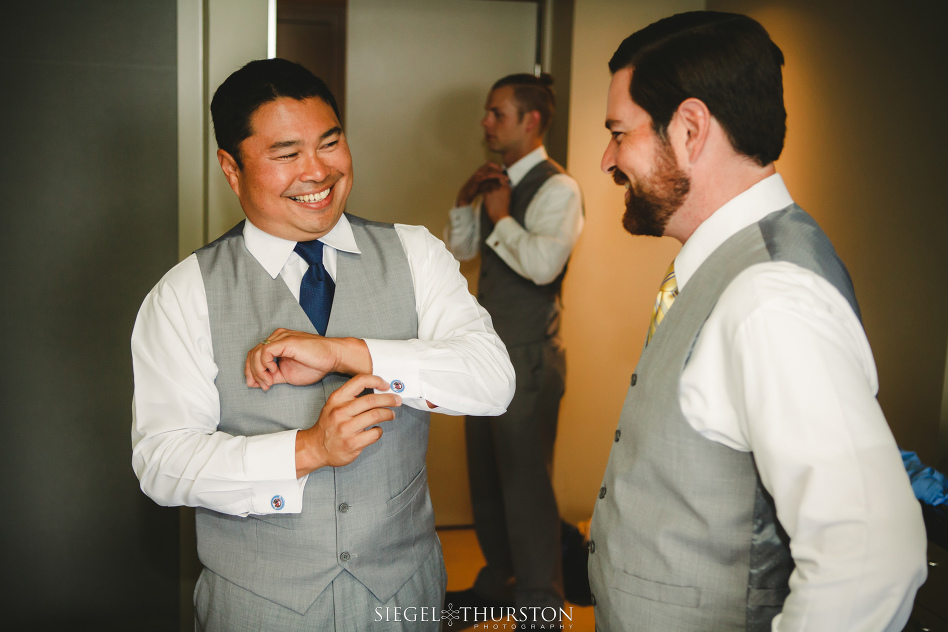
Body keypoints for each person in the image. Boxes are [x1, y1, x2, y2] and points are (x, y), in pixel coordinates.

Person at [131, 59, 515, 632]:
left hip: (404, 596)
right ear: (231, 169)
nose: (318, 172)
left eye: (330, 143)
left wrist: (343, 352)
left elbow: (492, 381)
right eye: (287, 154)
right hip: (257, 609)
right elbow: (161, 462)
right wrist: (308, 449)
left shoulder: (416, 253)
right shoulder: (184, 293)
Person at [587, 11, 927, 632]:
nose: (607, 157)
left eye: (619, 131)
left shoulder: (770, 296)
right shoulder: (737, 268)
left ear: (690, 129)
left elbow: (870, 560)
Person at [443, 73, 584, 622]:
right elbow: (462, 250)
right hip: (485, 355)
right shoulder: (493, 181)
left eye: (496, 113)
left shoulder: (560, 189)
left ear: (532, 120)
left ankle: (540, 603)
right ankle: (497, 583)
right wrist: (466, 201)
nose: (485, 122)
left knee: (525, 486)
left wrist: (501, 215)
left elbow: (545, 265)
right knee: (486, 480)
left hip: (528, 355)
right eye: (486, 112)